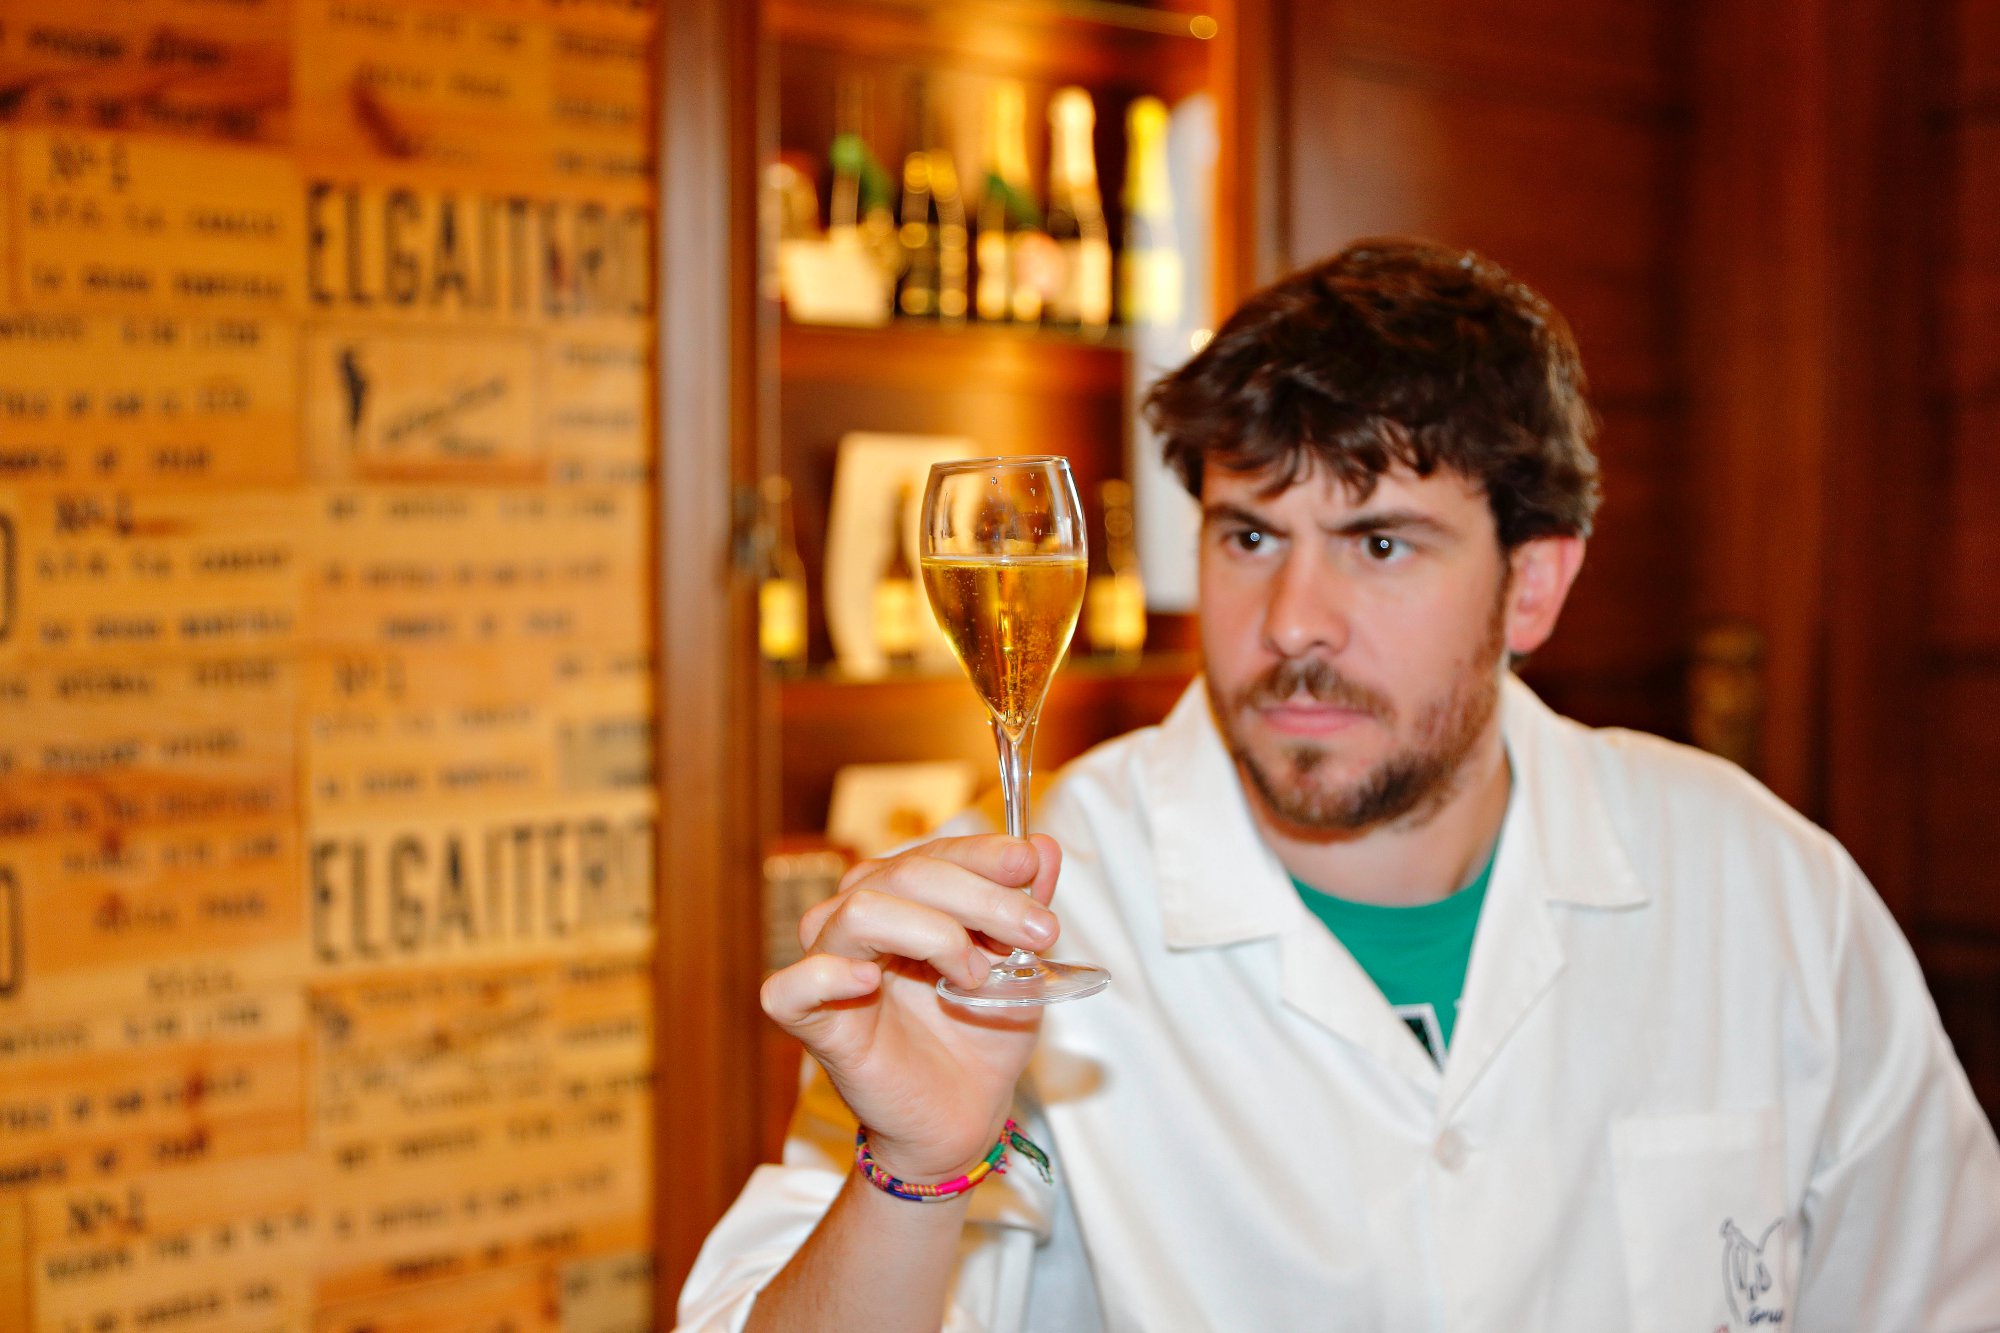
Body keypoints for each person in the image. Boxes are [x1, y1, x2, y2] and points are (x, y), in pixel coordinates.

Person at [677, 240, 2000, 1332]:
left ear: (1534, 581)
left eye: (1379, 541)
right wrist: (911, 1166)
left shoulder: (1763, 886)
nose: (1295, 620)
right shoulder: (1017, 915)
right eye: (1250, 534)